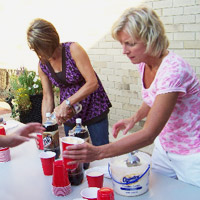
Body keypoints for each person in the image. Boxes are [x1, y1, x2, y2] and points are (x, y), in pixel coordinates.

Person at [63, 6, 200, 187]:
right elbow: (154, 97)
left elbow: (148, 135)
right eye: (122, 43)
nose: (124, 51)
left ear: (151, 40)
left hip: (191, 155)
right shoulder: (144, 62)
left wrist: (98, 153)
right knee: (158, 192)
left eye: (130, 43)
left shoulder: (173, 70)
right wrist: (134, 118)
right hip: (164, 147)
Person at [26, 18, 112, 146]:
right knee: (73, 149)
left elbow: (93, 83)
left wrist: (67, 103)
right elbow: (47, 97)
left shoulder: (73, 50)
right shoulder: (43, 64)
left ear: (48, 41)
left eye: (39, 48)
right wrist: (45, 126)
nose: (38, 53)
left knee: (101, 147)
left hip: (93, 104)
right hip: (69, 112)